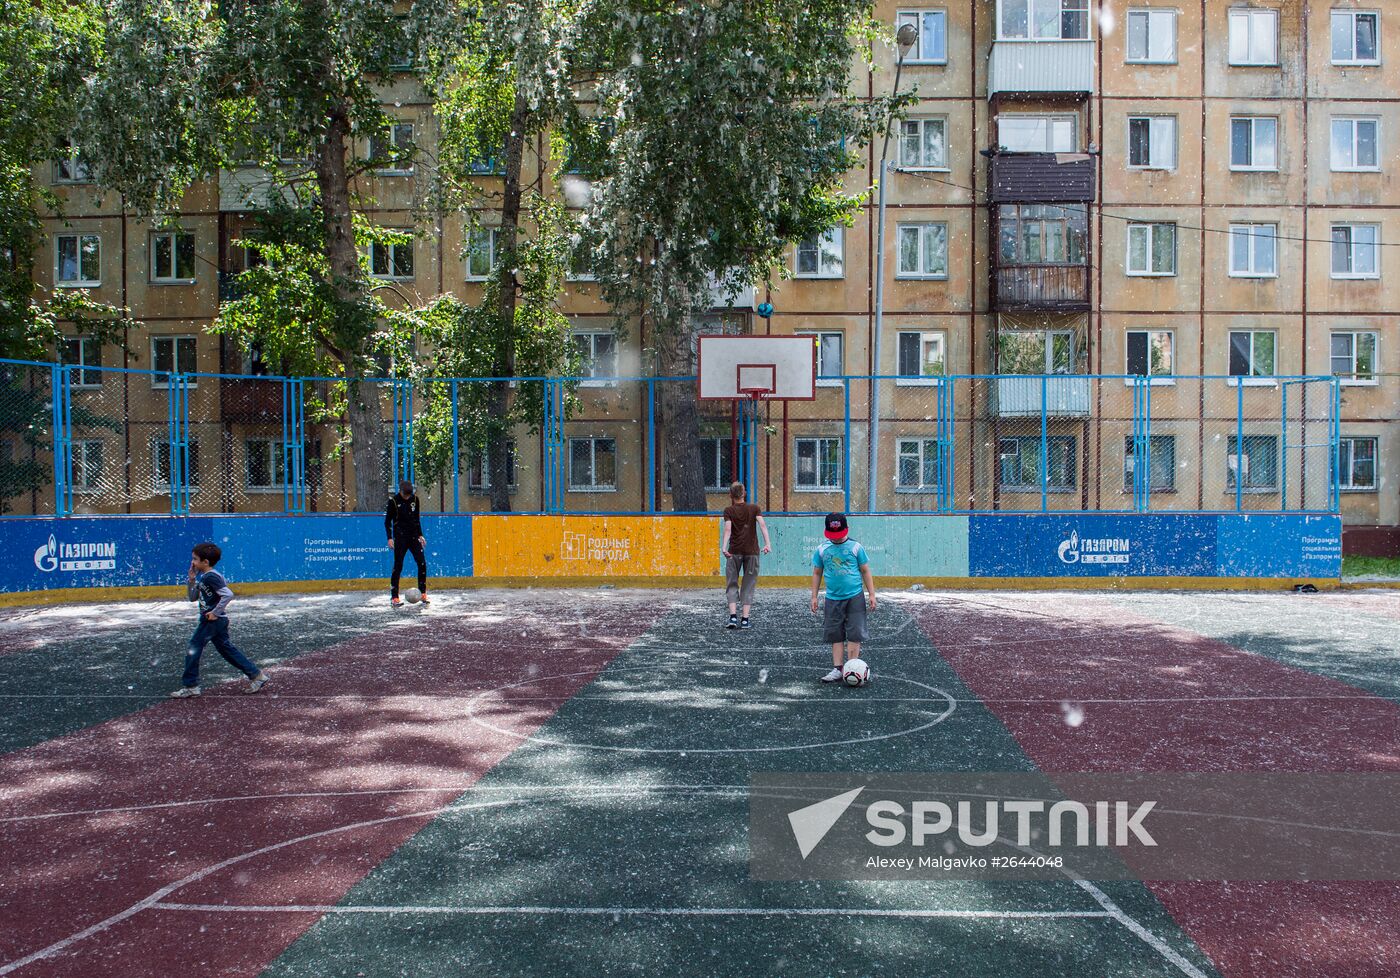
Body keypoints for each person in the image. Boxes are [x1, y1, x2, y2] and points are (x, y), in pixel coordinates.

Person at [171, 542, 268, 698]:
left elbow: (228, 594)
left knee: (193, 648)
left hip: (212, 621)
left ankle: (191, 685)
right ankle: (257, 675)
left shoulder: (211, 577)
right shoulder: (205, 578)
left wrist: (215, 612)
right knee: (227, 650)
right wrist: (191, 580)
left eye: (195, 559)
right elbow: (192, 598)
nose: (192, 563)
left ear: (205, 562)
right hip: (216, 621)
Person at [810, 512, 876, 684]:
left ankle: (852, 667)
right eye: (833, 536)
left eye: (839, 535)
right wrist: (814, 597)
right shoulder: (822, 549)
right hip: (832, 598)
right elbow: (817, 573)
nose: (837, 539)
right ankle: (838, 669)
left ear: (847, 529)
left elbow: (865, 571)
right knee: (835, 634)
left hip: (855, 597)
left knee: (855, 633)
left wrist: (872, 594)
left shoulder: (855, 548)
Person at [720, 481, 771, 629]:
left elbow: (728, 530)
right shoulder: (754, 508)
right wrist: (768, 544)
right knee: (748, 584)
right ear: (744, 494)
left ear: (730, 495)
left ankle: (733, 617)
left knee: (731, 583)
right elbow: (762, 525)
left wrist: (724, 547)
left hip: (734, 551)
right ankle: (745, 619)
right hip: (752, 552)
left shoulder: (728, 511)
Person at [385, 479, 430, 608]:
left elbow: (416, 519)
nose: (407, 497)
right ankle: (394, 597)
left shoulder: (415, 500)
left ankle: (423, 593)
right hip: (400, 538)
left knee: (422, 563)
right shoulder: (393, 501)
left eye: (409, 495)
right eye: (406, 495)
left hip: (414, 537)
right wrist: (389, 538)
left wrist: (420, 535)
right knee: (398, 566)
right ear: (400, 491)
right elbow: (387, 522)